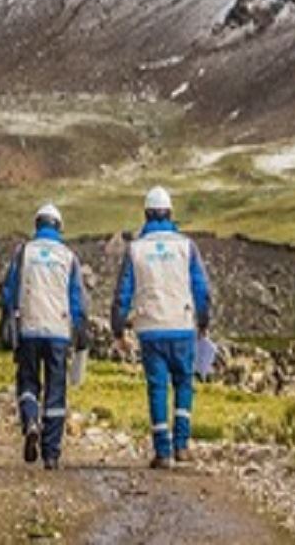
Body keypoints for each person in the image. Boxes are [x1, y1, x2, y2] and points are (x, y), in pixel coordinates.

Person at [109, 186, 212, 469]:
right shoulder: (186, 247)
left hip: (149, 327)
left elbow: (122, 293)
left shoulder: (136, 249)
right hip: (181, 325)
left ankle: (162, 452)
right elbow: (201, 288)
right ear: (170, 213)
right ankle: (181, 445)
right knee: (183, 383)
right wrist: (203, 321)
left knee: (157, 387)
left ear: (146, 214)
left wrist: (118, 329)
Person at [0, 202, 90, 470]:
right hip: (59, 332)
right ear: (59, 227)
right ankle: (51, 454)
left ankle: (30, 421)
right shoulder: (68, 256)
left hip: (28, 328)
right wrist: (79, 330)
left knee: (27, 381)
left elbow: (9, 291)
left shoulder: (23, 253)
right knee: (56, 391)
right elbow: (78, 301)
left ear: (37, 225)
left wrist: (10, 318)